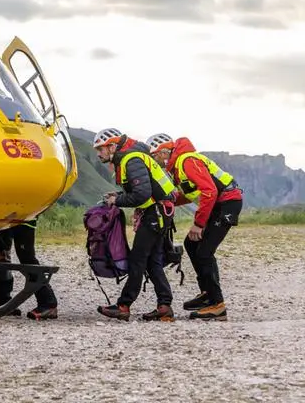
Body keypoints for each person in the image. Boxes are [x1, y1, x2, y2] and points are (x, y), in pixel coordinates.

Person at [146, 133, 243, 321]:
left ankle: (217, 305)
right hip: (219, 204)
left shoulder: (186, 160)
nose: (156, 162)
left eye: (155, 157)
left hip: (227, 203)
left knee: (204, 252)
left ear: (164, 151)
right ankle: (207, 293)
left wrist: (198, 224)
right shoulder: (179, 166)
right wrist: (165, 202)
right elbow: (189, 194)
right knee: (191, 244)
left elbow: (209, 191)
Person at [92, 128, 177, 322]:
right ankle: (164, 306)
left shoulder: (131, 160)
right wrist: (120, 197)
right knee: (152, 261)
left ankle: (124, 306)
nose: (98, 153)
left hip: (155, 214)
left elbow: (142, 194)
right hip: (161, 212)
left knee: (138, 260)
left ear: (112, 146)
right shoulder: (133, 157)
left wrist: (117, 200)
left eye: (101, 149)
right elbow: (145, 192)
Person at [1, 218, 59, 320]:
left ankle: (48, 303)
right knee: (3, 258)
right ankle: (3, 301)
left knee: (28, 261)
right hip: (6, 221)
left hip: (24, 221)